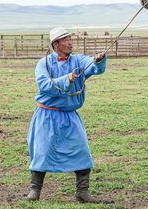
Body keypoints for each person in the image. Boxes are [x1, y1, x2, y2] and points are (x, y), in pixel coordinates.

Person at [25, 27, 107, 203]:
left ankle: (82, 192)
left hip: (70, 116)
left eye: (70, 39)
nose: (70, 42)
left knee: (82, 150)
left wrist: (98, 60)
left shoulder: (78, 60)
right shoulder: (43, 64)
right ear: (56, 44)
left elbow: (92, 67)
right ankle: (34, 191)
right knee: (42, 151)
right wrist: (66, 79)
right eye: (65, 39)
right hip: (46, 115)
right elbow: (44, 86)